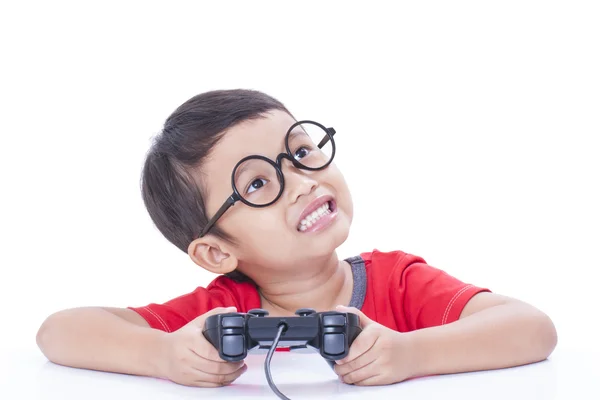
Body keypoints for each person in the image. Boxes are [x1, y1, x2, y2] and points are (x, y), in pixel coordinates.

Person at [36, 89, 557, 388]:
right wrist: (165, 356)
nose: (305, 180)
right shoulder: (218, 314)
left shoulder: (395, 281)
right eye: (259, 183)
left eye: (301, 153)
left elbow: (531, 328)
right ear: (217, 251)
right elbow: (59, 332)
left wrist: (409, 355)